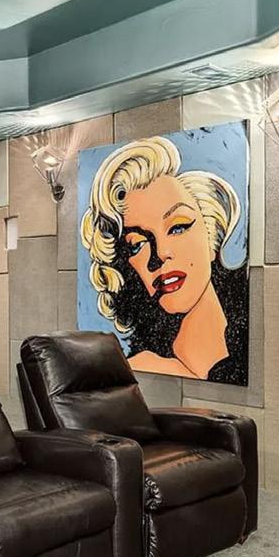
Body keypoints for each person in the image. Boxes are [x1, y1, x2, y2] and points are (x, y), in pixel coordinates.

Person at [81, 136, 244, 380]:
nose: (161, 253)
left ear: (211, 236)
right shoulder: (136, 369)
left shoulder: (249, 350)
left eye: (178, 227)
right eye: (137, 245)